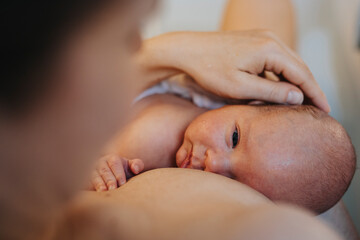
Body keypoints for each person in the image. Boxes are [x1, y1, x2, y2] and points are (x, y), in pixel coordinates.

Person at [0, 0, 349, 239]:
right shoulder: (230, 100)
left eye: (236, 180)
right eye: (234, 139)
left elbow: (82, 168)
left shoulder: (153, 151)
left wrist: (99, 167)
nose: (215, 165)